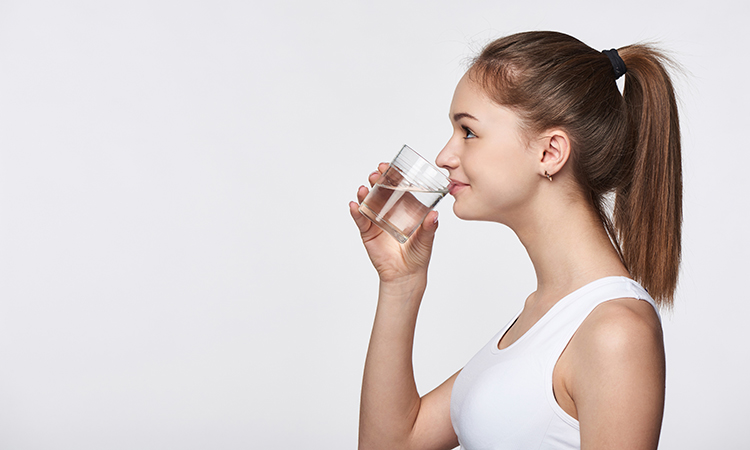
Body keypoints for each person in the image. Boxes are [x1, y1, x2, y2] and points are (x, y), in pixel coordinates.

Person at [349, 31, 681, 450]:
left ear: (549, 153)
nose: (444, 156)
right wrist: (401, 284)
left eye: (467, 131)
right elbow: (392, 444)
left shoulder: (614, 331)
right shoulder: (544, 314)